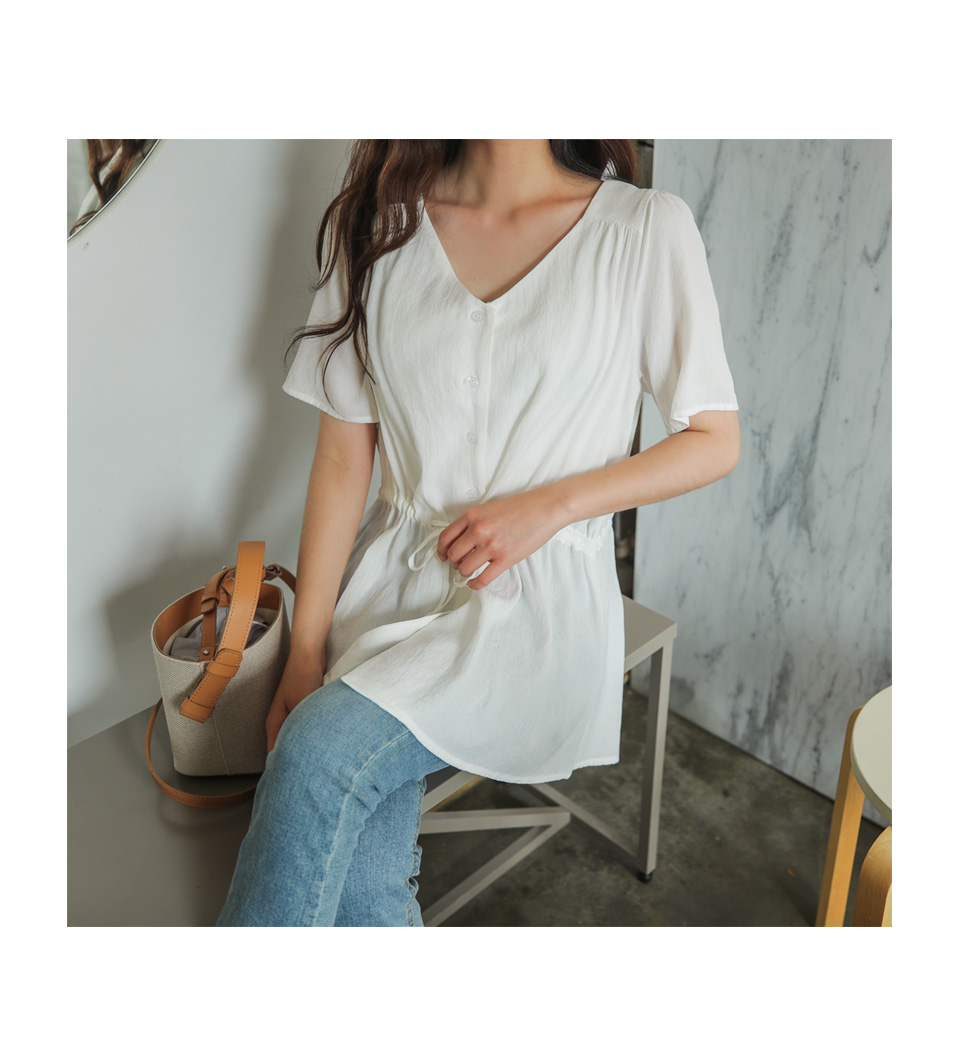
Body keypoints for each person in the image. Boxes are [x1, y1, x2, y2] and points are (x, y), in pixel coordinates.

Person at [216, 139, 741, 927]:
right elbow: (342, 458)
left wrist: (550, 506)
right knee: (364, 887)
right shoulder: (376, 226)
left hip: (534, 616)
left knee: (319, 761)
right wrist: (306, 649)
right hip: (386, 593)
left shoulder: (643, 230)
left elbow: (714, 439)